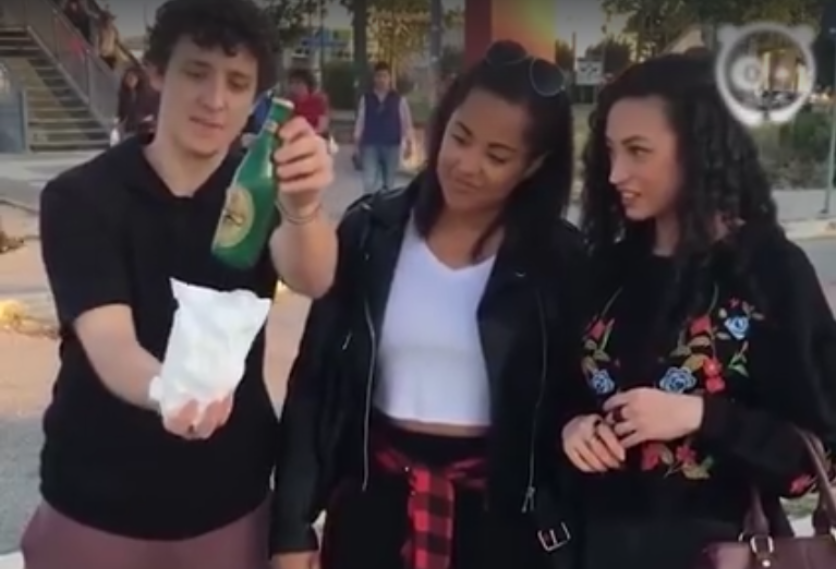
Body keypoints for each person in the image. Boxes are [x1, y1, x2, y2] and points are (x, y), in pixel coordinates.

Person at [22, 0, 337, 568]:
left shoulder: (257, 192)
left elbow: (313, 277)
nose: (215, 99)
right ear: (157, 72)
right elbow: (110, 342)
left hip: (229, 503)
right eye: (196, 73)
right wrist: (170, 392)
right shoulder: (82, 197)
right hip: (96, 503)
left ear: (256, 97)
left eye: (237, 83)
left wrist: (304, 206)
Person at [271, 40, 582, 569]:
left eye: (497, 156)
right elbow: (315, 387)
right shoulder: (370, 231)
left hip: (504, 521)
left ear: (533, 166)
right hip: (375, 504)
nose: (466, 164)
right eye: (460, 137)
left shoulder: (561, 260)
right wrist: (291, 528)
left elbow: (574, 401)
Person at [559, 53, 836, 569]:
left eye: (638, 151)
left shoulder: (769, 272)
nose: (616, 173)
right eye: (611, 151)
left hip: (726, 550)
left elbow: (816, 452)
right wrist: (572, 428)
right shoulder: (603, 271)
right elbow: (556, 394)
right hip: (598, 549)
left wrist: (700, 415)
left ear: (697, 151)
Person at [353, 61, 415, 194]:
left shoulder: (399, 100)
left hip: (392, 144)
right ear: (374, 78)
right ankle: (370, 203)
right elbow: (360, 121)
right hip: (370, 144)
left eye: (384, 76)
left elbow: (406, 123)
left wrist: (409, 144)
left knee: (389, 182)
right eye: (378, 76)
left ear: (390, 79)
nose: (381, 80)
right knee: (369, 181)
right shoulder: (366, 99)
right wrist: (357, 143)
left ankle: (385, 204)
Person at [287, 67, 329, 138]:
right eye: (291, 83)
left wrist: (309, 136)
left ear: (308, 84)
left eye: (298, 83)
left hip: (314, 137)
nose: (294, 86)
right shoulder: (288, 102)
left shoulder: (319, 100)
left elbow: (322, 126)